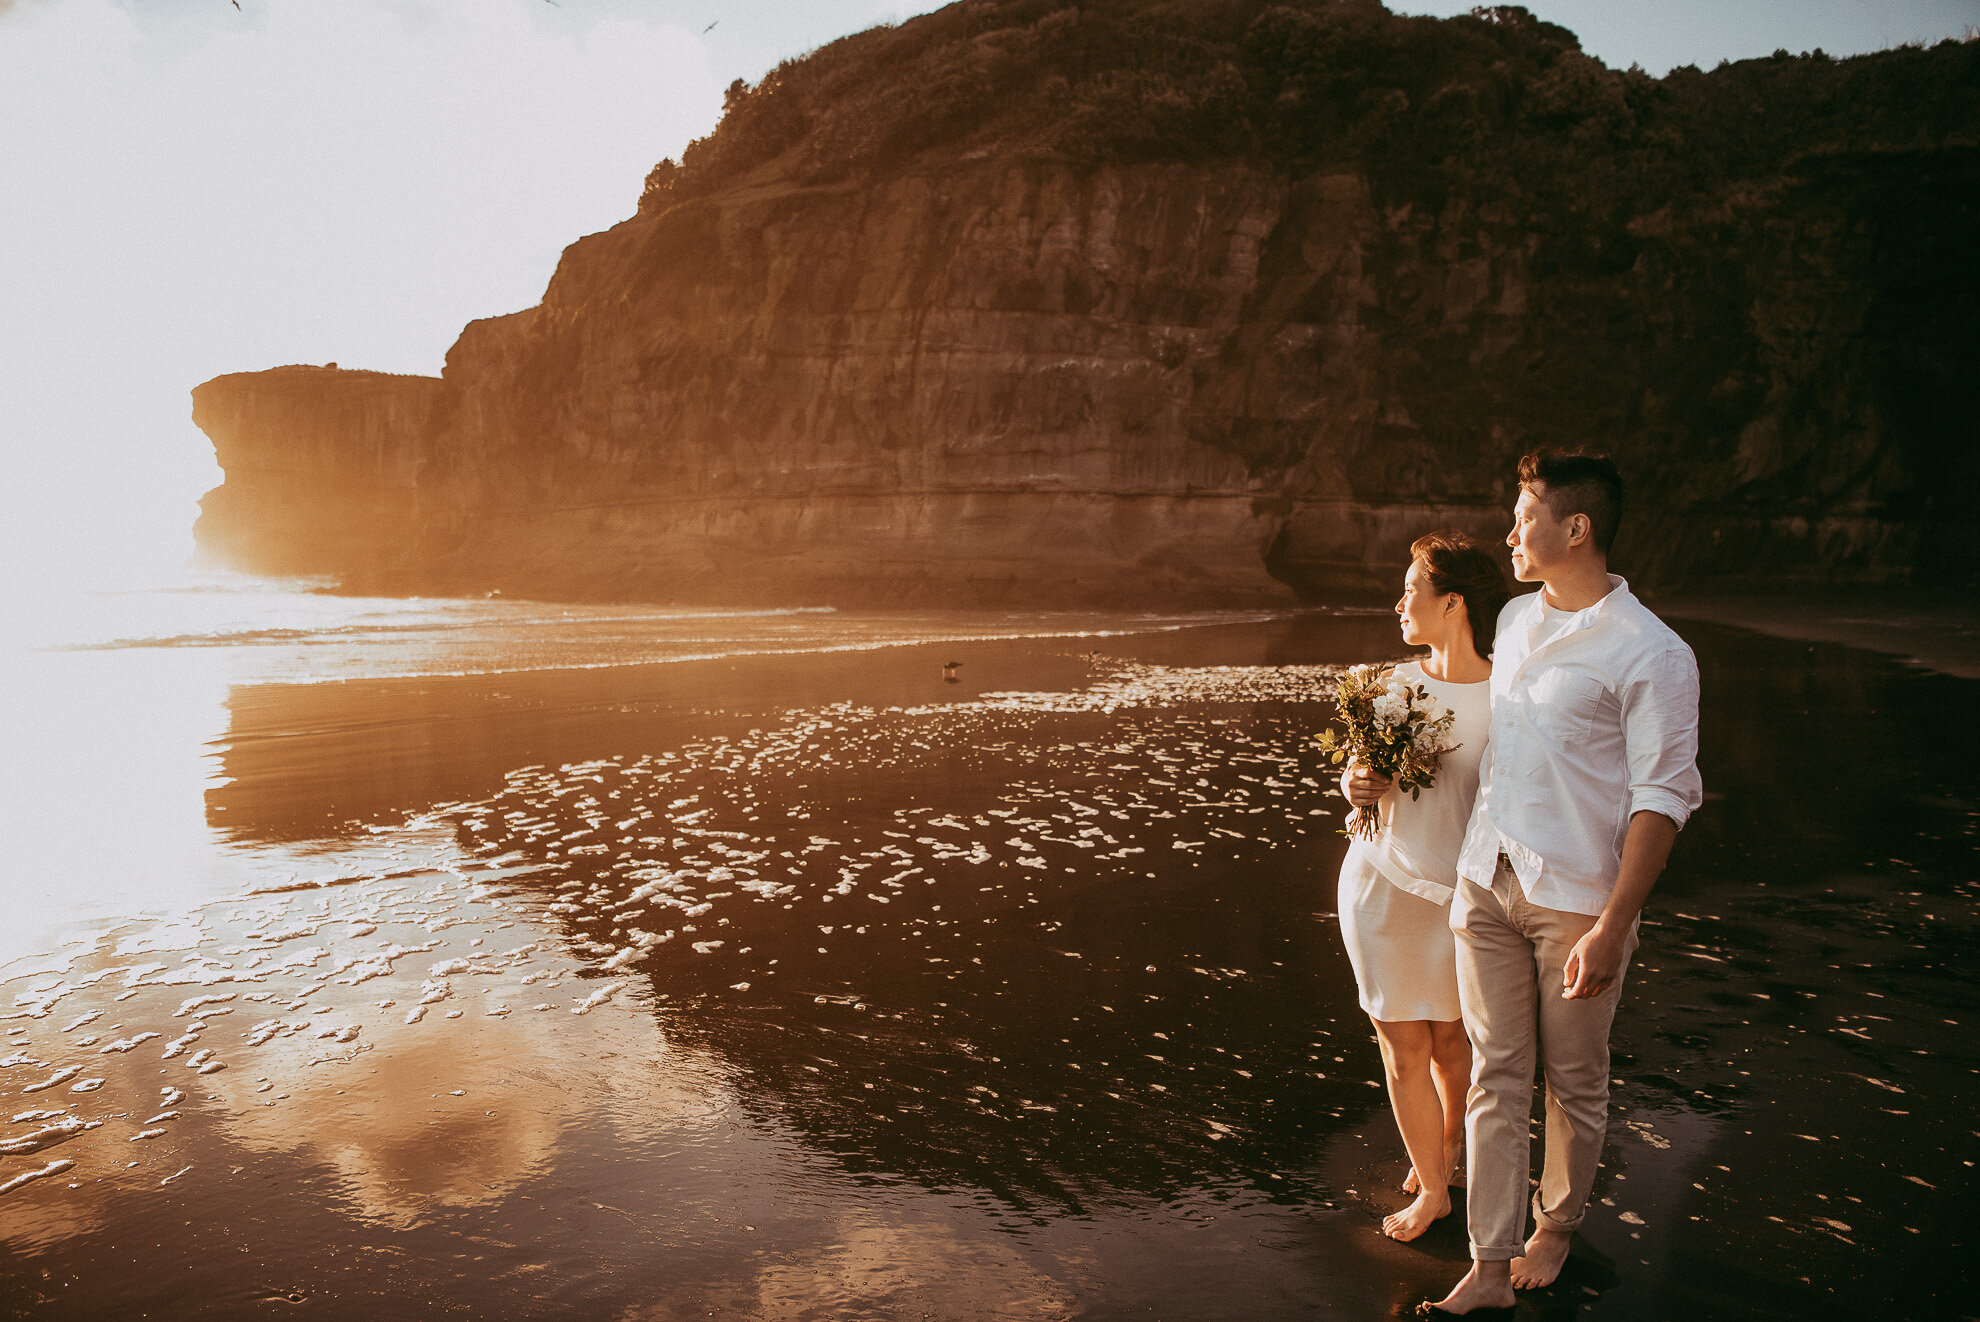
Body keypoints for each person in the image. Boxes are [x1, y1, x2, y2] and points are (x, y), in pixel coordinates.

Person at [1421, 450, 1703, 1317]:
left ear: (1574, 528)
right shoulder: (1510, 619)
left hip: (1579, 899)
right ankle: (1488, 1265)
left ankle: (1558, 1227)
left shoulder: (1652, 653)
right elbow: (1474, 721)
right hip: (1484, 880)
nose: (1509, 532)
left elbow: (1664, 798)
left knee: (1574, 1079)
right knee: (1494, 1074)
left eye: (1524, 517)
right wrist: (1380, 774)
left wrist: (1613, 927)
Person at [1337, 531, 1509, 1241]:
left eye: (1413, 589)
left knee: (1453, 1046)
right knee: (1401, 1043)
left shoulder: (1508, 695)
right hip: (1381, 888)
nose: (1400, 602)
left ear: (1455, 602)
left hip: (1464, 899)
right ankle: (1434, 1189)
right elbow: (1357, 782)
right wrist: (1354, 783)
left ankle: (1442, 1150)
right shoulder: (1392, 686)